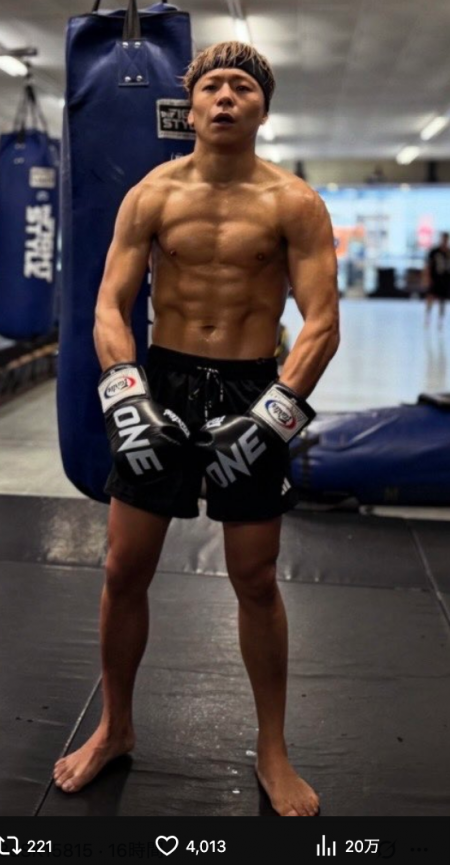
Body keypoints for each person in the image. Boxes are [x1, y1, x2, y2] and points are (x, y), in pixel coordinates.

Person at [53, 41, 340, 817]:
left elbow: (321, 323)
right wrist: (127, 397)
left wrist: (274, 415)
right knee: (123, 569)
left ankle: (272, 747)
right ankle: (115, 726)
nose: (225, 96)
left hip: (252, 384)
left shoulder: (294, 202)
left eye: (242, 86)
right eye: (212, 84)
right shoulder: (152, 193)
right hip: (165, 382)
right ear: (190, 103)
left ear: (262, 108)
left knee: (255, 578)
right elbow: (109, 306)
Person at [422, 231, 450, 329]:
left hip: (445, 279)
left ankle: (440, 320)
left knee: (443, 300)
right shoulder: (434, 251)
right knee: (430, 297)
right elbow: (428, 265)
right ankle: (428, 317)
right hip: (435, 278)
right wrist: (427, 277)